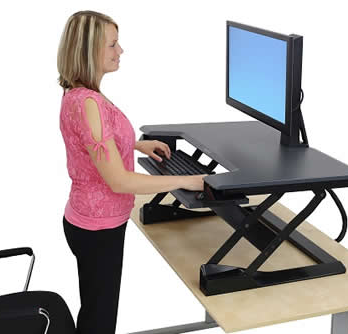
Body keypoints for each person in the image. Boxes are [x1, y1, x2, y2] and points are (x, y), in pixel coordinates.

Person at [57, 10, 207, 334]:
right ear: (89, 51)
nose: (120, 51)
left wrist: (136, 146)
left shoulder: (76, 94)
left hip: (85, 219)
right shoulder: (89, 104)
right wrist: (188, 180)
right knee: (99, 320)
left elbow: (93, 145)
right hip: (98, 229)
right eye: (112, 45)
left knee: (95, 309)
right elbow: (119, 180)